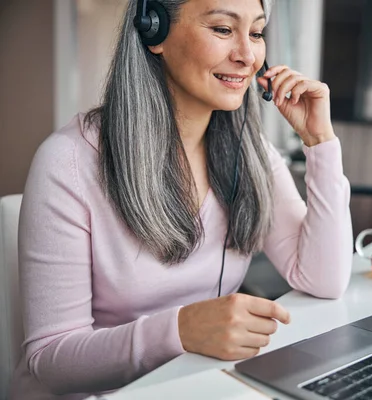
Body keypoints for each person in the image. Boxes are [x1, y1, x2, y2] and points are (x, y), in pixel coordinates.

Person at [10, 0, 352, 398]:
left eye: (256, 33)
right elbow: (52, 362)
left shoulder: (249, 150)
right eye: (223, 29)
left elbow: (323, 279)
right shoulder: (68, 161)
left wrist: (320, 142)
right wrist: (180, 330)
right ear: (155, 31)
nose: (247, 56)